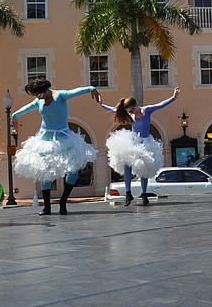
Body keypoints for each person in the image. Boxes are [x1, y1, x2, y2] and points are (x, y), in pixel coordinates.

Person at [12, 79, 101, 215]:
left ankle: (63, 201)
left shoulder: (60, 96)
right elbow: (27, 108)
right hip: (45, 140)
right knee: (45, 172)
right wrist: (14, 115)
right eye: (35, 96)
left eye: (39, 94)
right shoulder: (39, 101)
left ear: (46, 90)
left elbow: (75, 92)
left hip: (63, 138)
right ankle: (46, 207)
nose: (38, 98)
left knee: (73, 170)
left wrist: (91, 88)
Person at [100, 87, 179, 205]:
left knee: (143, 169)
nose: (131, 112)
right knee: (127, 165)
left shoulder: (146, 110)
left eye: (132, 110)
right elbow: (114, 110)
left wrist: (173, 97)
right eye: (129, 111)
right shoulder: (129, 113)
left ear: (136, 105)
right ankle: (128, 193)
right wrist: (102, 104)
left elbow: (160, 105)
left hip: (145, 142)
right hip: (133, 141)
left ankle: (144, 193)